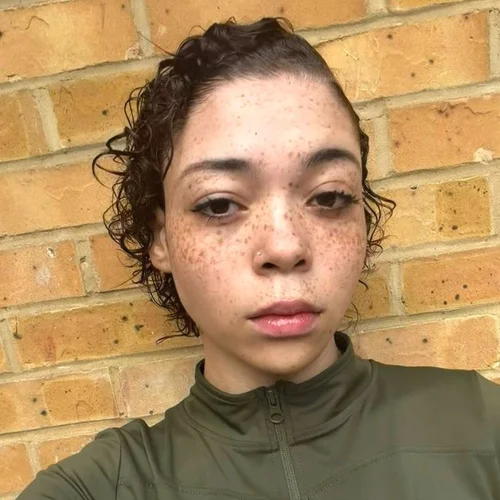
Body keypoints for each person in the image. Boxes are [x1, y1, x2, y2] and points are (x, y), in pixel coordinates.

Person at [19, 16, 500, 500]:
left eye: (329, 196)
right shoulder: (100, 487)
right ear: (161, 237)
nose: (285, 247)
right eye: (219, 204)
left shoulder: (480, 424)